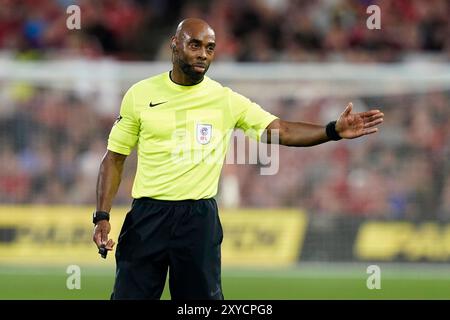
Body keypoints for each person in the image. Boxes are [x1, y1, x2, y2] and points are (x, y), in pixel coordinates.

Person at [92, 18, 384, 300]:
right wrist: (102, 217)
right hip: (147, 217)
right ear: (174, 45)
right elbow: (114, 157)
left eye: (209, 48)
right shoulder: (140, 94)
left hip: (197, 220)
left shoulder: (224, 99)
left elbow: (280, 130)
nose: (203, 54)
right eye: (195, 45)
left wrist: (332, 130)